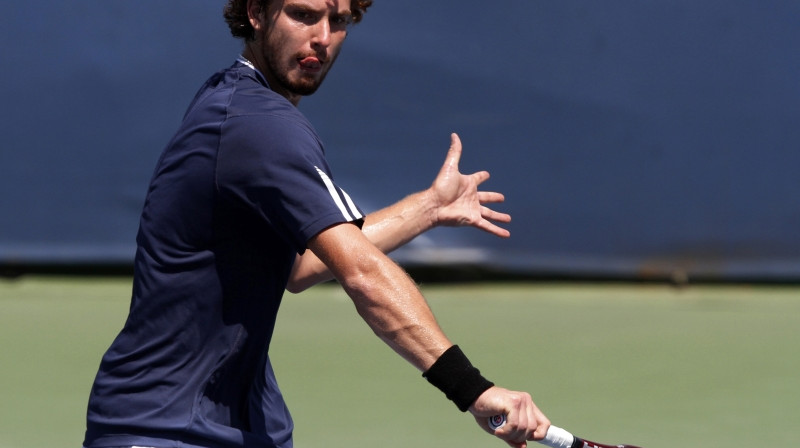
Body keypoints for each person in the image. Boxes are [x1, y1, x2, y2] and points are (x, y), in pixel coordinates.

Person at [83, 0, 550, 447]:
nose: (322, 38)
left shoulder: (232, 98)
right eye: (303, 15)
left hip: (227, 425)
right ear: (257, 12)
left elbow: (299, 267)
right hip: (164, 430)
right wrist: (473, 390)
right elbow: (362, 273)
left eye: (339, 20)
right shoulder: (259, 124)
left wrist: (427, 208)